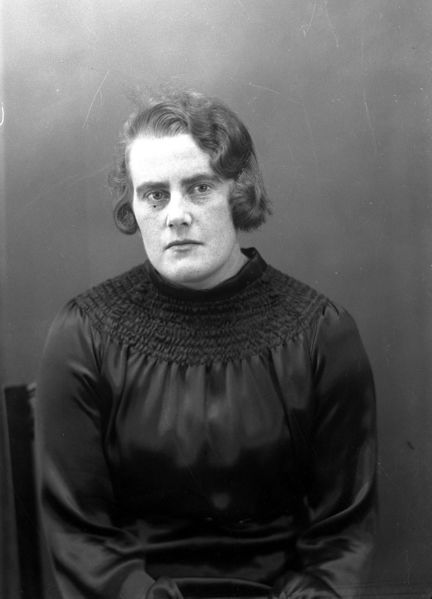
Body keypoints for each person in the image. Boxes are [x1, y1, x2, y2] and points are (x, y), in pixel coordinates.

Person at [35, 90, 377, 599]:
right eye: (155, 195)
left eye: (198, 188)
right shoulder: (84, 332)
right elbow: (80, 536)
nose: (175, 215)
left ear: (238, 193)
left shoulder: (322, 332)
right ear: (133, 206)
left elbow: (342, 535)